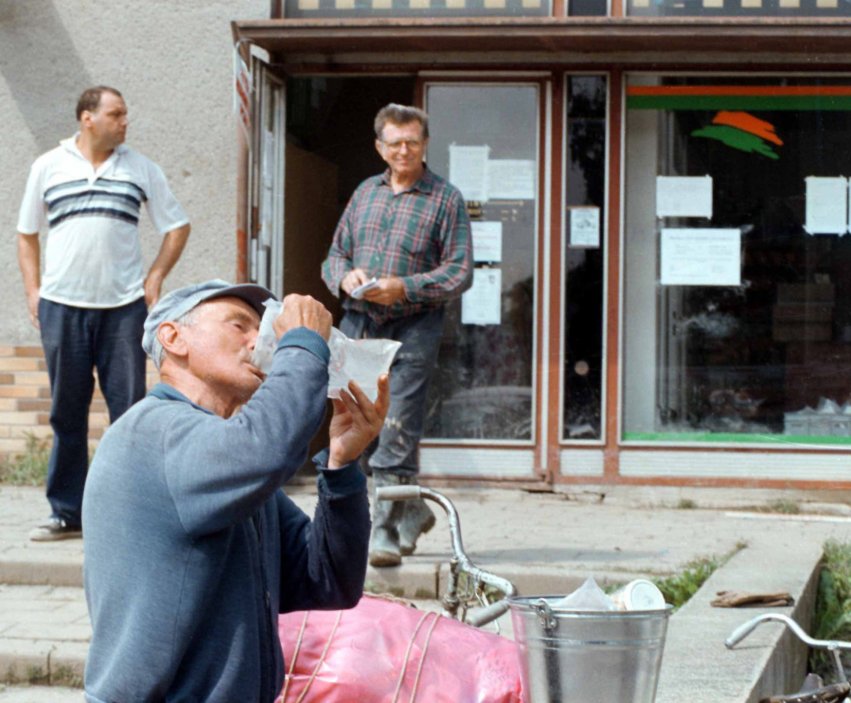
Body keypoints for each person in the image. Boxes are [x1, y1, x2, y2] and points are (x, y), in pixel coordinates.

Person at [82, 279, 389, 702]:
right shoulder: (153, 432)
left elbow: (327, 580)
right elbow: (265, 449)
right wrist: (300, 344)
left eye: (261, 327)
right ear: (174, 338)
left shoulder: (226, 457)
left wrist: (341, 465)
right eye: (238, 324)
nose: (257, 340)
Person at [16, 85, 191, 541]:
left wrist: (154, 277)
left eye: (125, 113)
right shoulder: (48, 167)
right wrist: (33, 291)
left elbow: (177, 225)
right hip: (62, 308)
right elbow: (26, 233)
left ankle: (135, 510)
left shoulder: (139, 168)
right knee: (66, 412)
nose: (125, 121)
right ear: (87, 118)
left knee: (131, 412)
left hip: (123, 310)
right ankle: (66, 512)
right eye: (116, 113)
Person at [321, 103, 473, 568]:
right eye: (395, 143)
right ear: (380, 148)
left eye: (412, 142)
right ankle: (415, 510)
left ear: (425, 144)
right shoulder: (365, 193)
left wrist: (404, 287)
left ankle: (383, 527)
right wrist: (345, 279)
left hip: (414, 326)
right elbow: (334, 257)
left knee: (397, 425)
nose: (404, 150)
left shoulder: (446, 198)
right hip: (359, 324)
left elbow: (459, 271)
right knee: (353, 421)